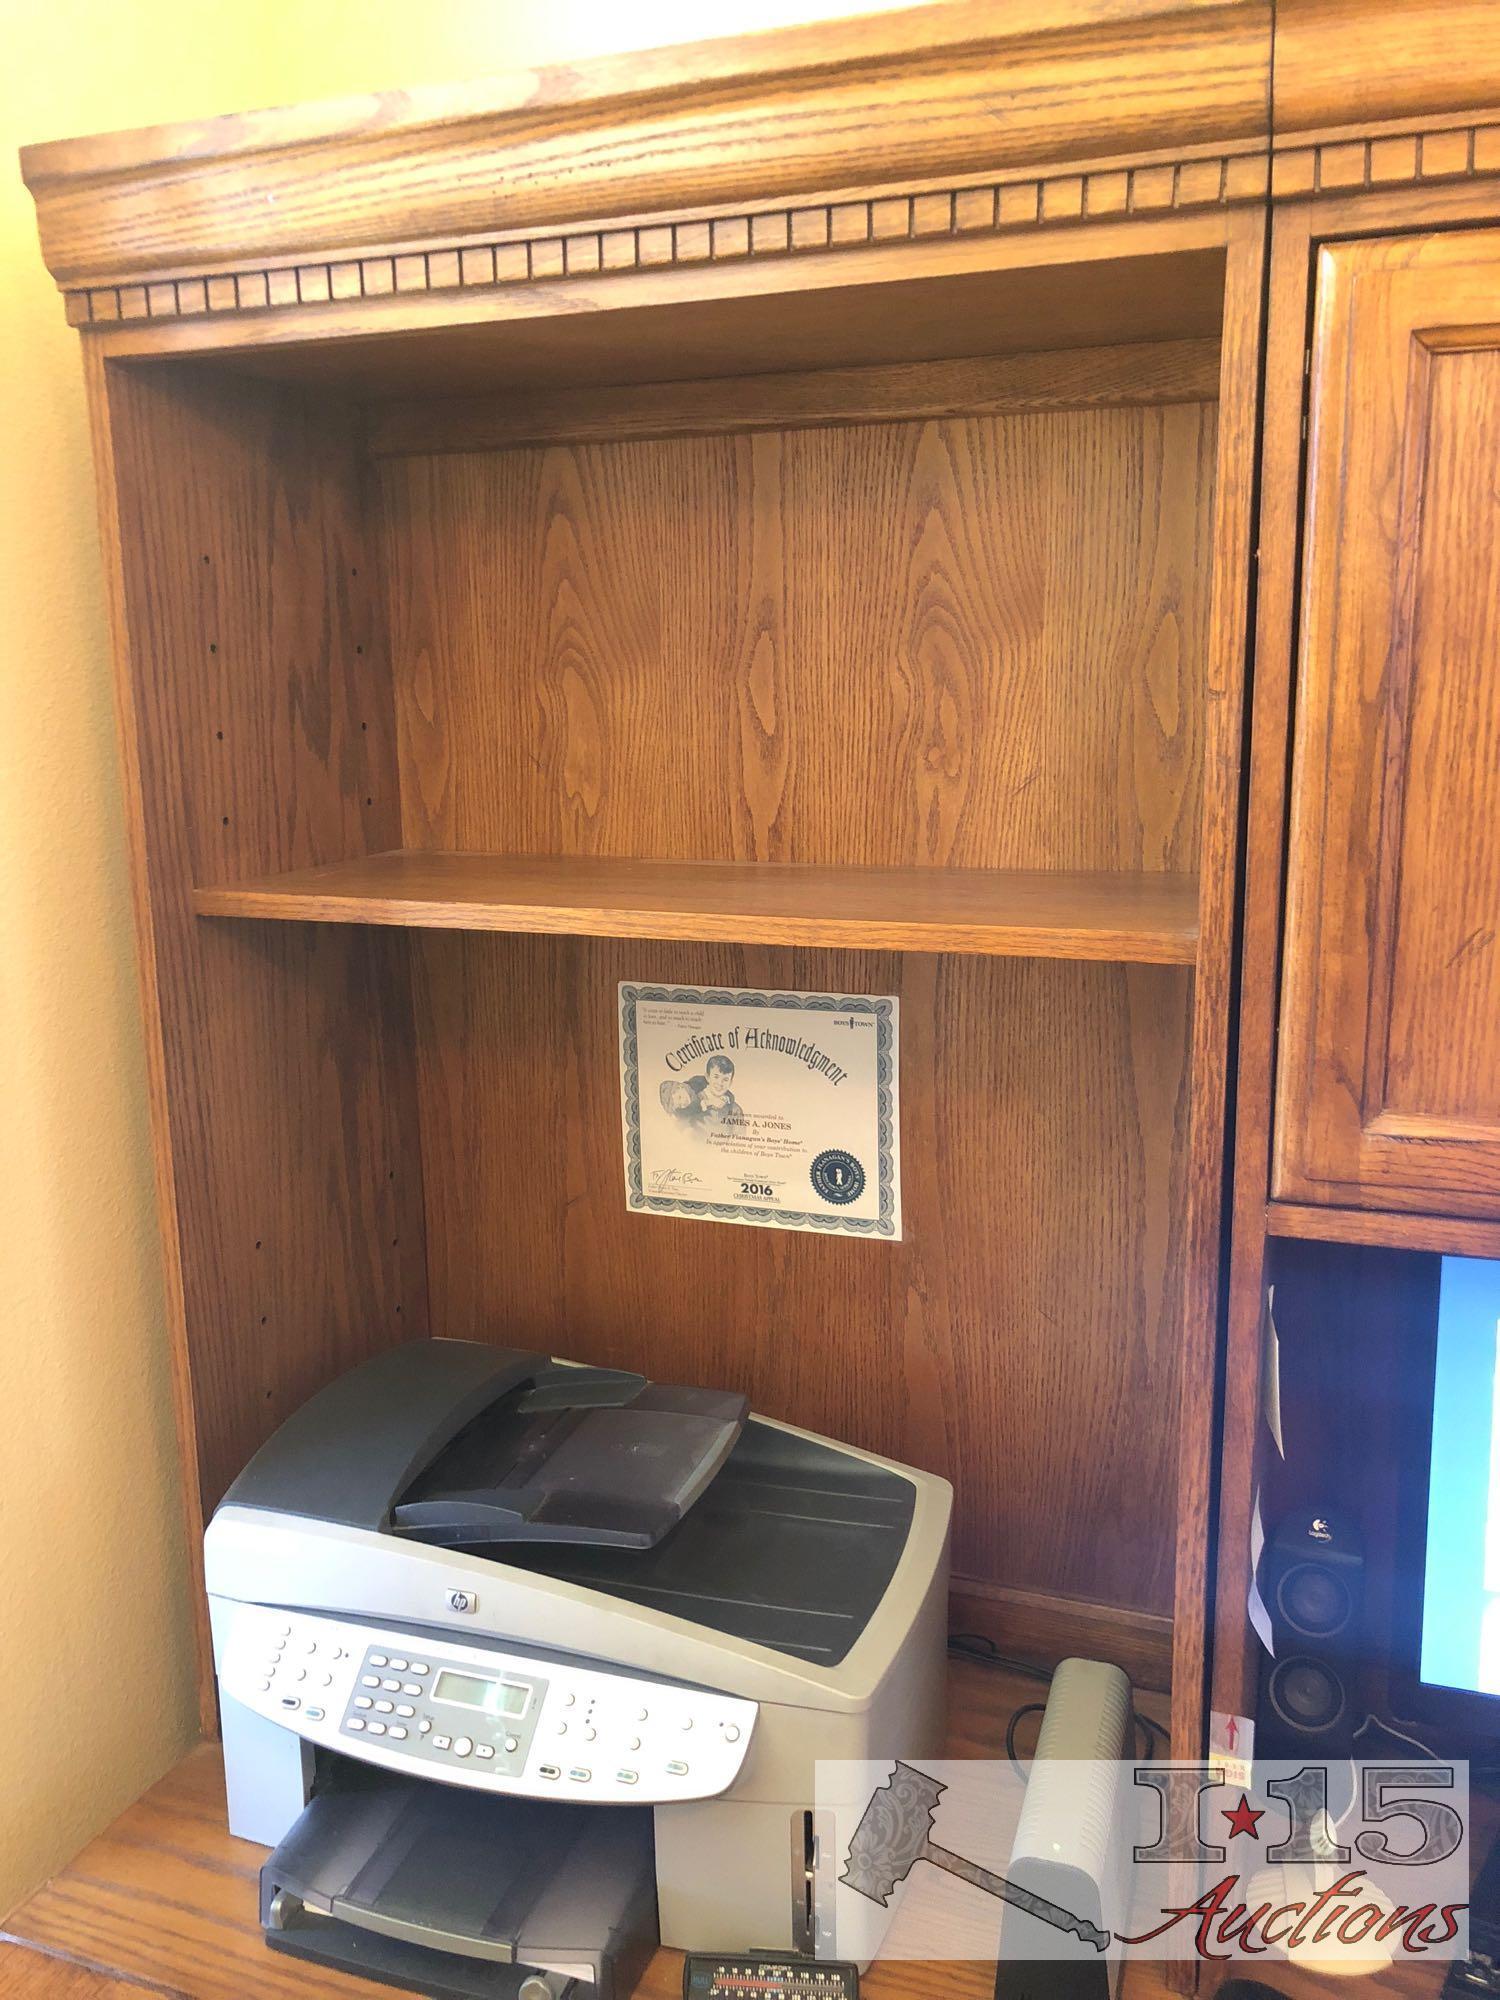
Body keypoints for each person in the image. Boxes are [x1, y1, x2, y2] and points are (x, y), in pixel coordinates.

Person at [699, 1053, 739, 1122]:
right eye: (716, 1077)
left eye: (725, 1079)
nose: (720, 1083)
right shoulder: (694, 1101)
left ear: (730, 1082)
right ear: (707, 1077)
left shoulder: (735, 1110)